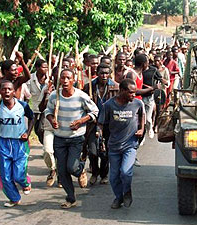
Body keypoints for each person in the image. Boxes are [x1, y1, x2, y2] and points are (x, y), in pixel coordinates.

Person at [45, 69, 99, 209]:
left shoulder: (81, 96)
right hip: (60, 138)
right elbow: (48, 112)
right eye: (62, 78)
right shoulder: (54, 96)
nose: (65, 81)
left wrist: (81, 121)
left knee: (72, 167)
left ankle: (81, 170)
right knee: (62, 172)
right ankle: (71, 198)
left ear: (73, 79)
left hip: (76, 138)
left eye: (68, 78)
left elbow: (95, 111)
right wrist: (52, 120)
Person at [98, 78, 145, 209]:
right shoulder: (109, 105)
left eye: (135, 92)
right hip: (113, 146)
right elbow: (101, 123)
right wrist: (100, 136)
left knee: (126, 172)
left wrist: (141, 128)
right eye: (130, 92)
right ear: (122, 91)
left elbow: (142, 116)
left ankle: (127, 191)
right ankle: (118, 197)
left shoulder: (137, 104)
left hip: (130, 145)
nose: (133, 95)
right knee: (113, 177)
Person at [0, 81, 34, 208]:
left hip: (19, 143)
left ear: (14, 92)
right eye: (4, 89)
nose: (7, 92)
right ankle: (14, 198)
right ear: (0, 92)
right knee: (6, 176)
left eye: (9, 89)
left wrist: (28, 132)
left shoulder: (22, 105)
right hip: (4, 143)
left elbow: (32, 118)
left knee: (19, 174)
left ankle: (25, 183)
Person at [83, 63, 119, 185]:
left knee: (106, 152)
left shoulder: (115, 87)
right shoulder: (89, 87)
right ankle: (94, 173)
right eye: (101, 73)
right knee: (92, 151)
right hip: (93, 123)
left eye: (106, 73)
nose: (104, 75)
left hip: (109, 124)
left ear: (110, 74)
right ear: (97, 73)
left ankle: (104, 174)